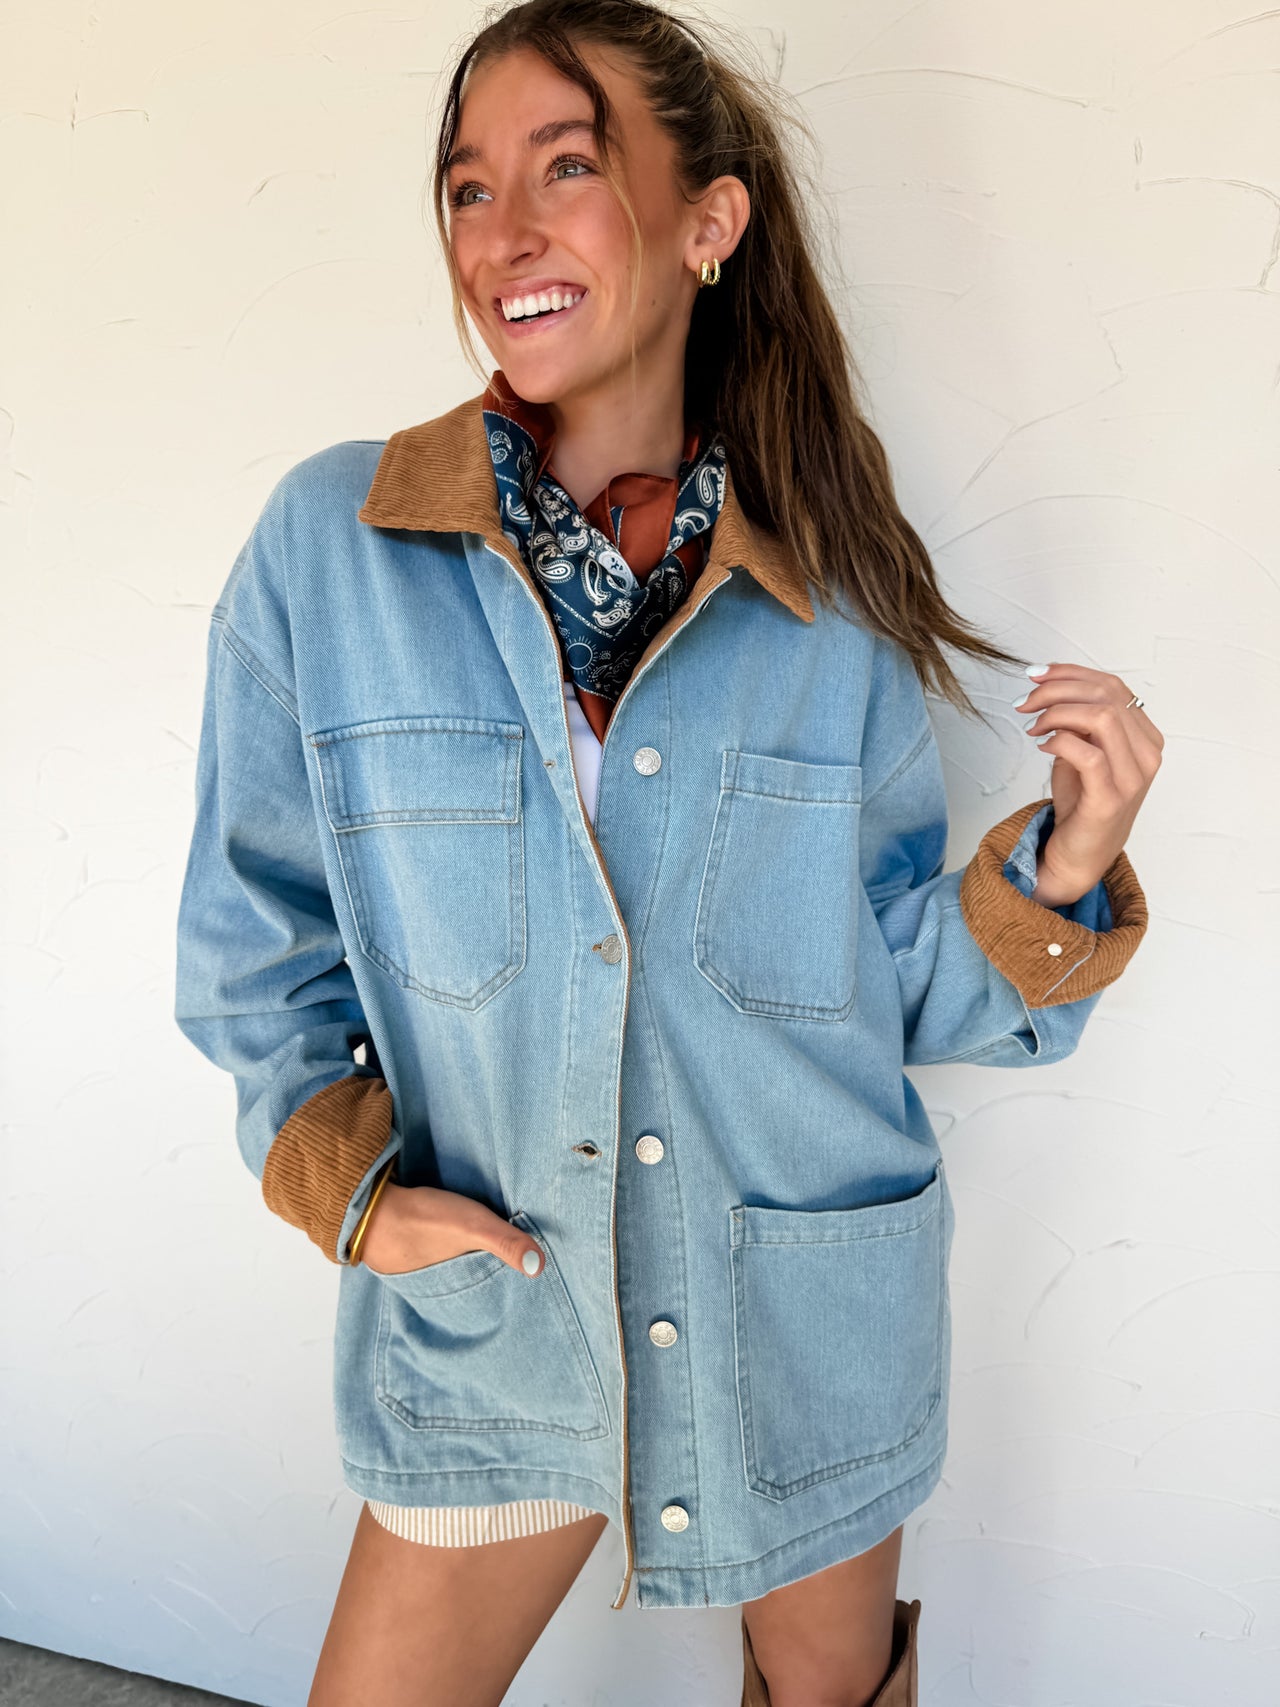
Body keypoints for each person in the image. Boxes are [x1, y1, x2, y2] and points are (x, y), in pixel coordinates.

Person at [173, 3, 1160, 1703]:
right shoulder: (330, 555)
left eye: (569, 166)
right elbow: (251, 943)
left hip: (808, 1316)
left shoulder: (830, 597)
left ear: (709, 224)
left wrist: (1065, 868)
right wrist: (347, 1188)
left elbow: (877, 981)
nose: (506, 231)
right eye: (470, 187)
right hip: (505, 1319)